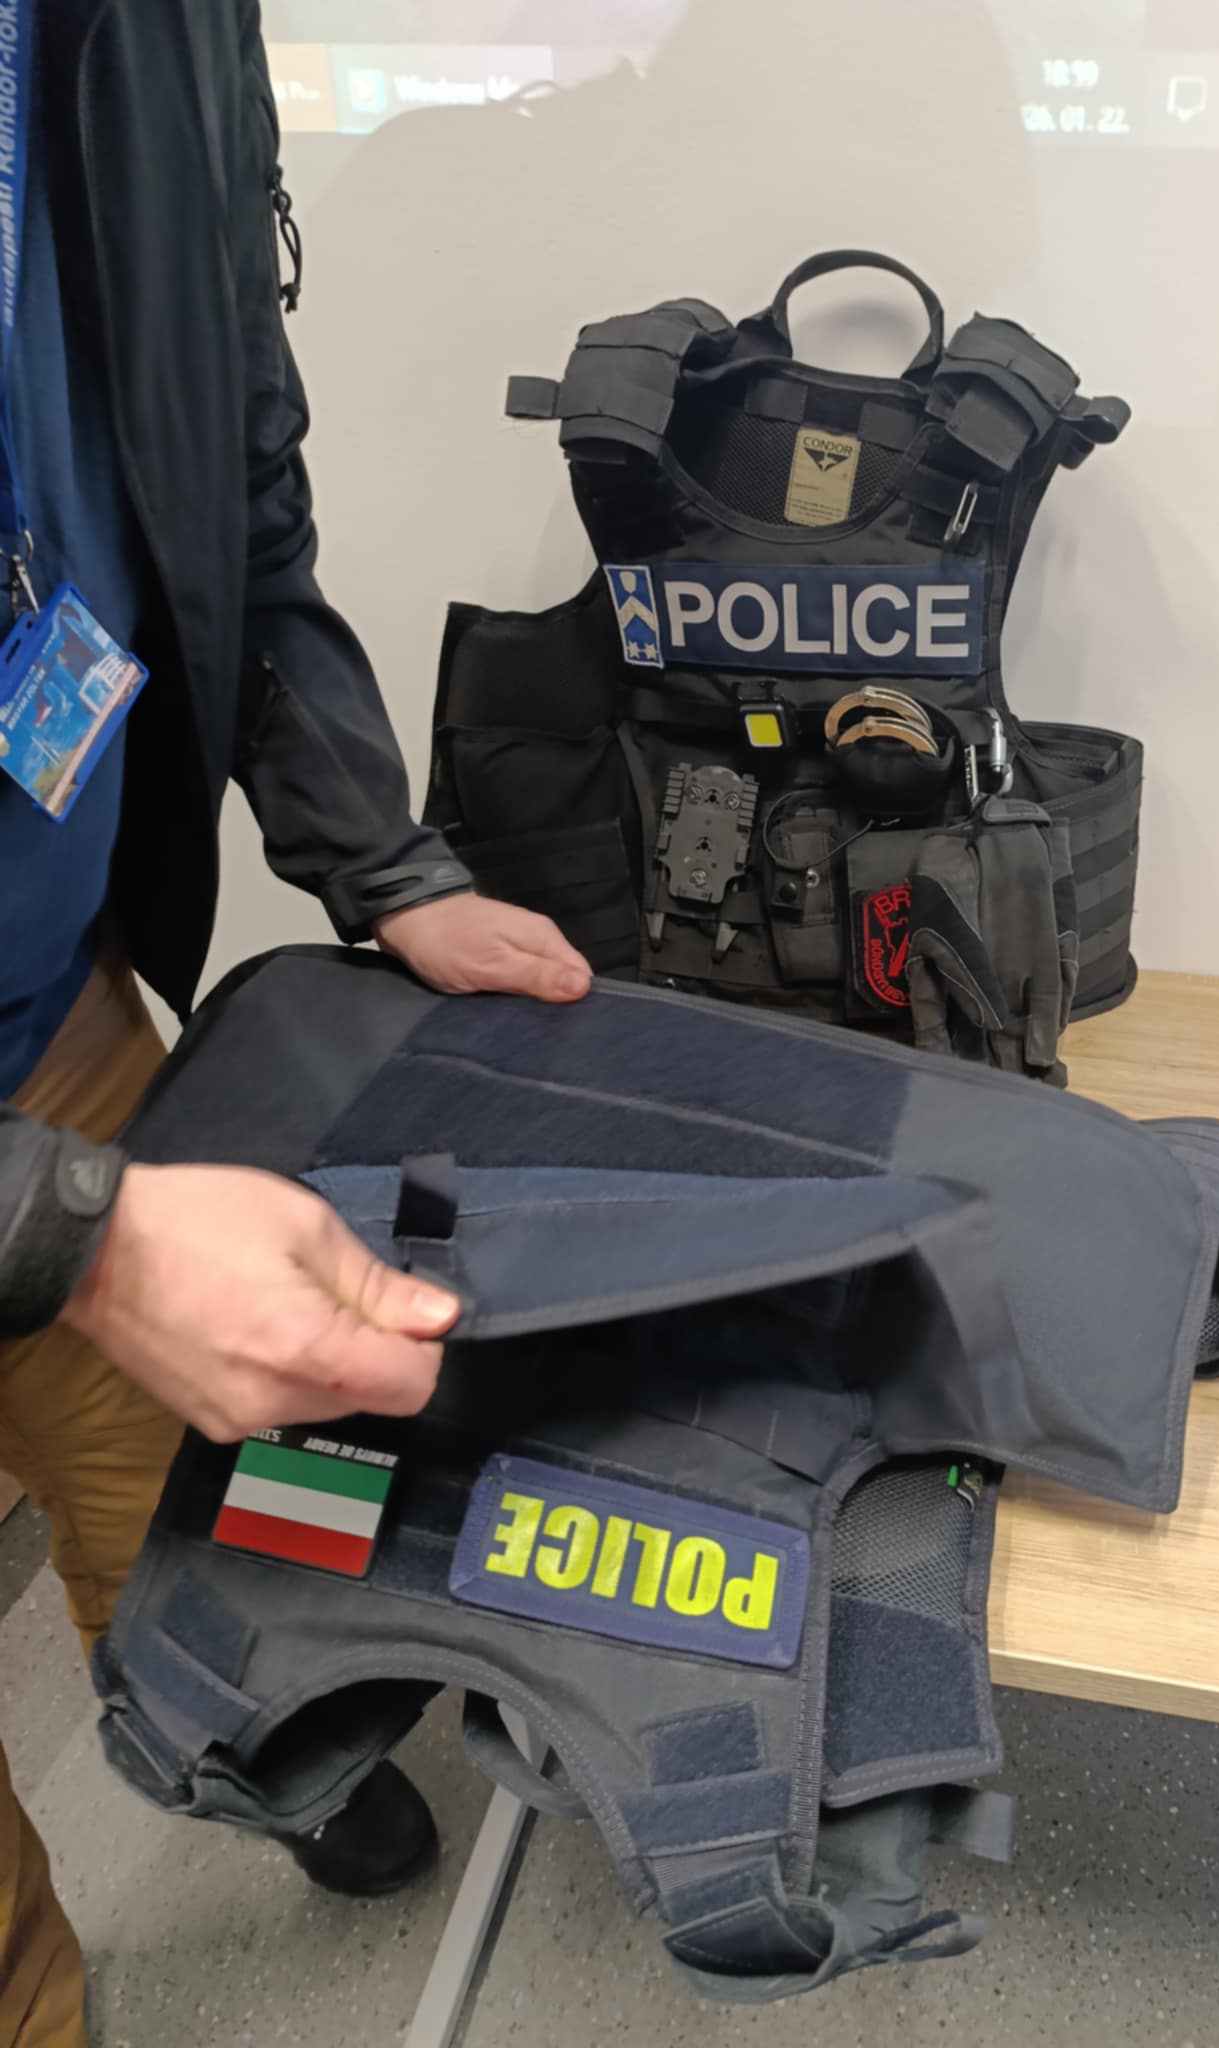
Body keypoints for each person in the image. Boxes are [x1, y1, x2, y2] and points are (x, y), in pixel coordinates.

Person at [0, 6, 593, 2042]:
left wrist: (381, 858)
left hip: (47, 1001)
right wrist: (66, 1231)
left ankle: (257, 1746)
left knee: (200, 1491)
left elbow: (228, 464)